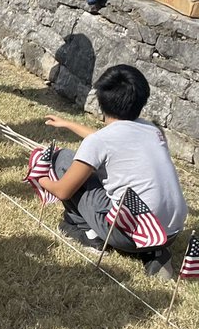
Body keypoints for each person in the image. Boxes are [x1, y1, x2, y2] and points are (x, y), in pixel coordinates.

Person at [39, 64, 188, 280]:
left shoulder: (99, 141)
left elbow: (63, 191)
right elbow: (107, 140)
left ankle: (88, 232)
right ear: (141, 99)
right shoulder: (152, 130)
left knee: (62, 159)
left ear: (100, 101)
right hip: (169, 232)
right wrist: (69, 124)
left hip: (126, 235)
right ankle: (153, 252)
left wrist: (41, 178)